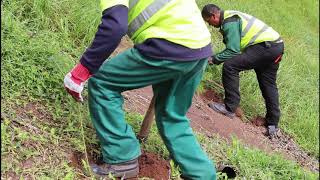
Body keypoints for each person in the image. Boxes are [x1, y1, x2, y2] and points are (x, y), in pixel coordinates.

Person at [64, 0, 216, 179]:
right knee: (172, 114)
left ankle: (122, 159)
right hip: (200, 48)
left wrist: (81, 72)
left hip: (169, 45)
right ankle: (202, 174)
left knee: (103, 82)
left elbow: (114, 26)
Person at [201, 4, 284, 138]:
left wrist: (213, 60)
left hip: (266, 46)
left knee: (230, 66)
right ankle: (272, 123)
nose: (210, 25)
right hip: (276, 46)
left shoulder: (229, 22)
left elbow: (233, 50)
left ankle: (229, 108)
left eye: (208, 21)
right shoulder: (231, 16)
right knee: (268, 84)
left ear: (214, 16)